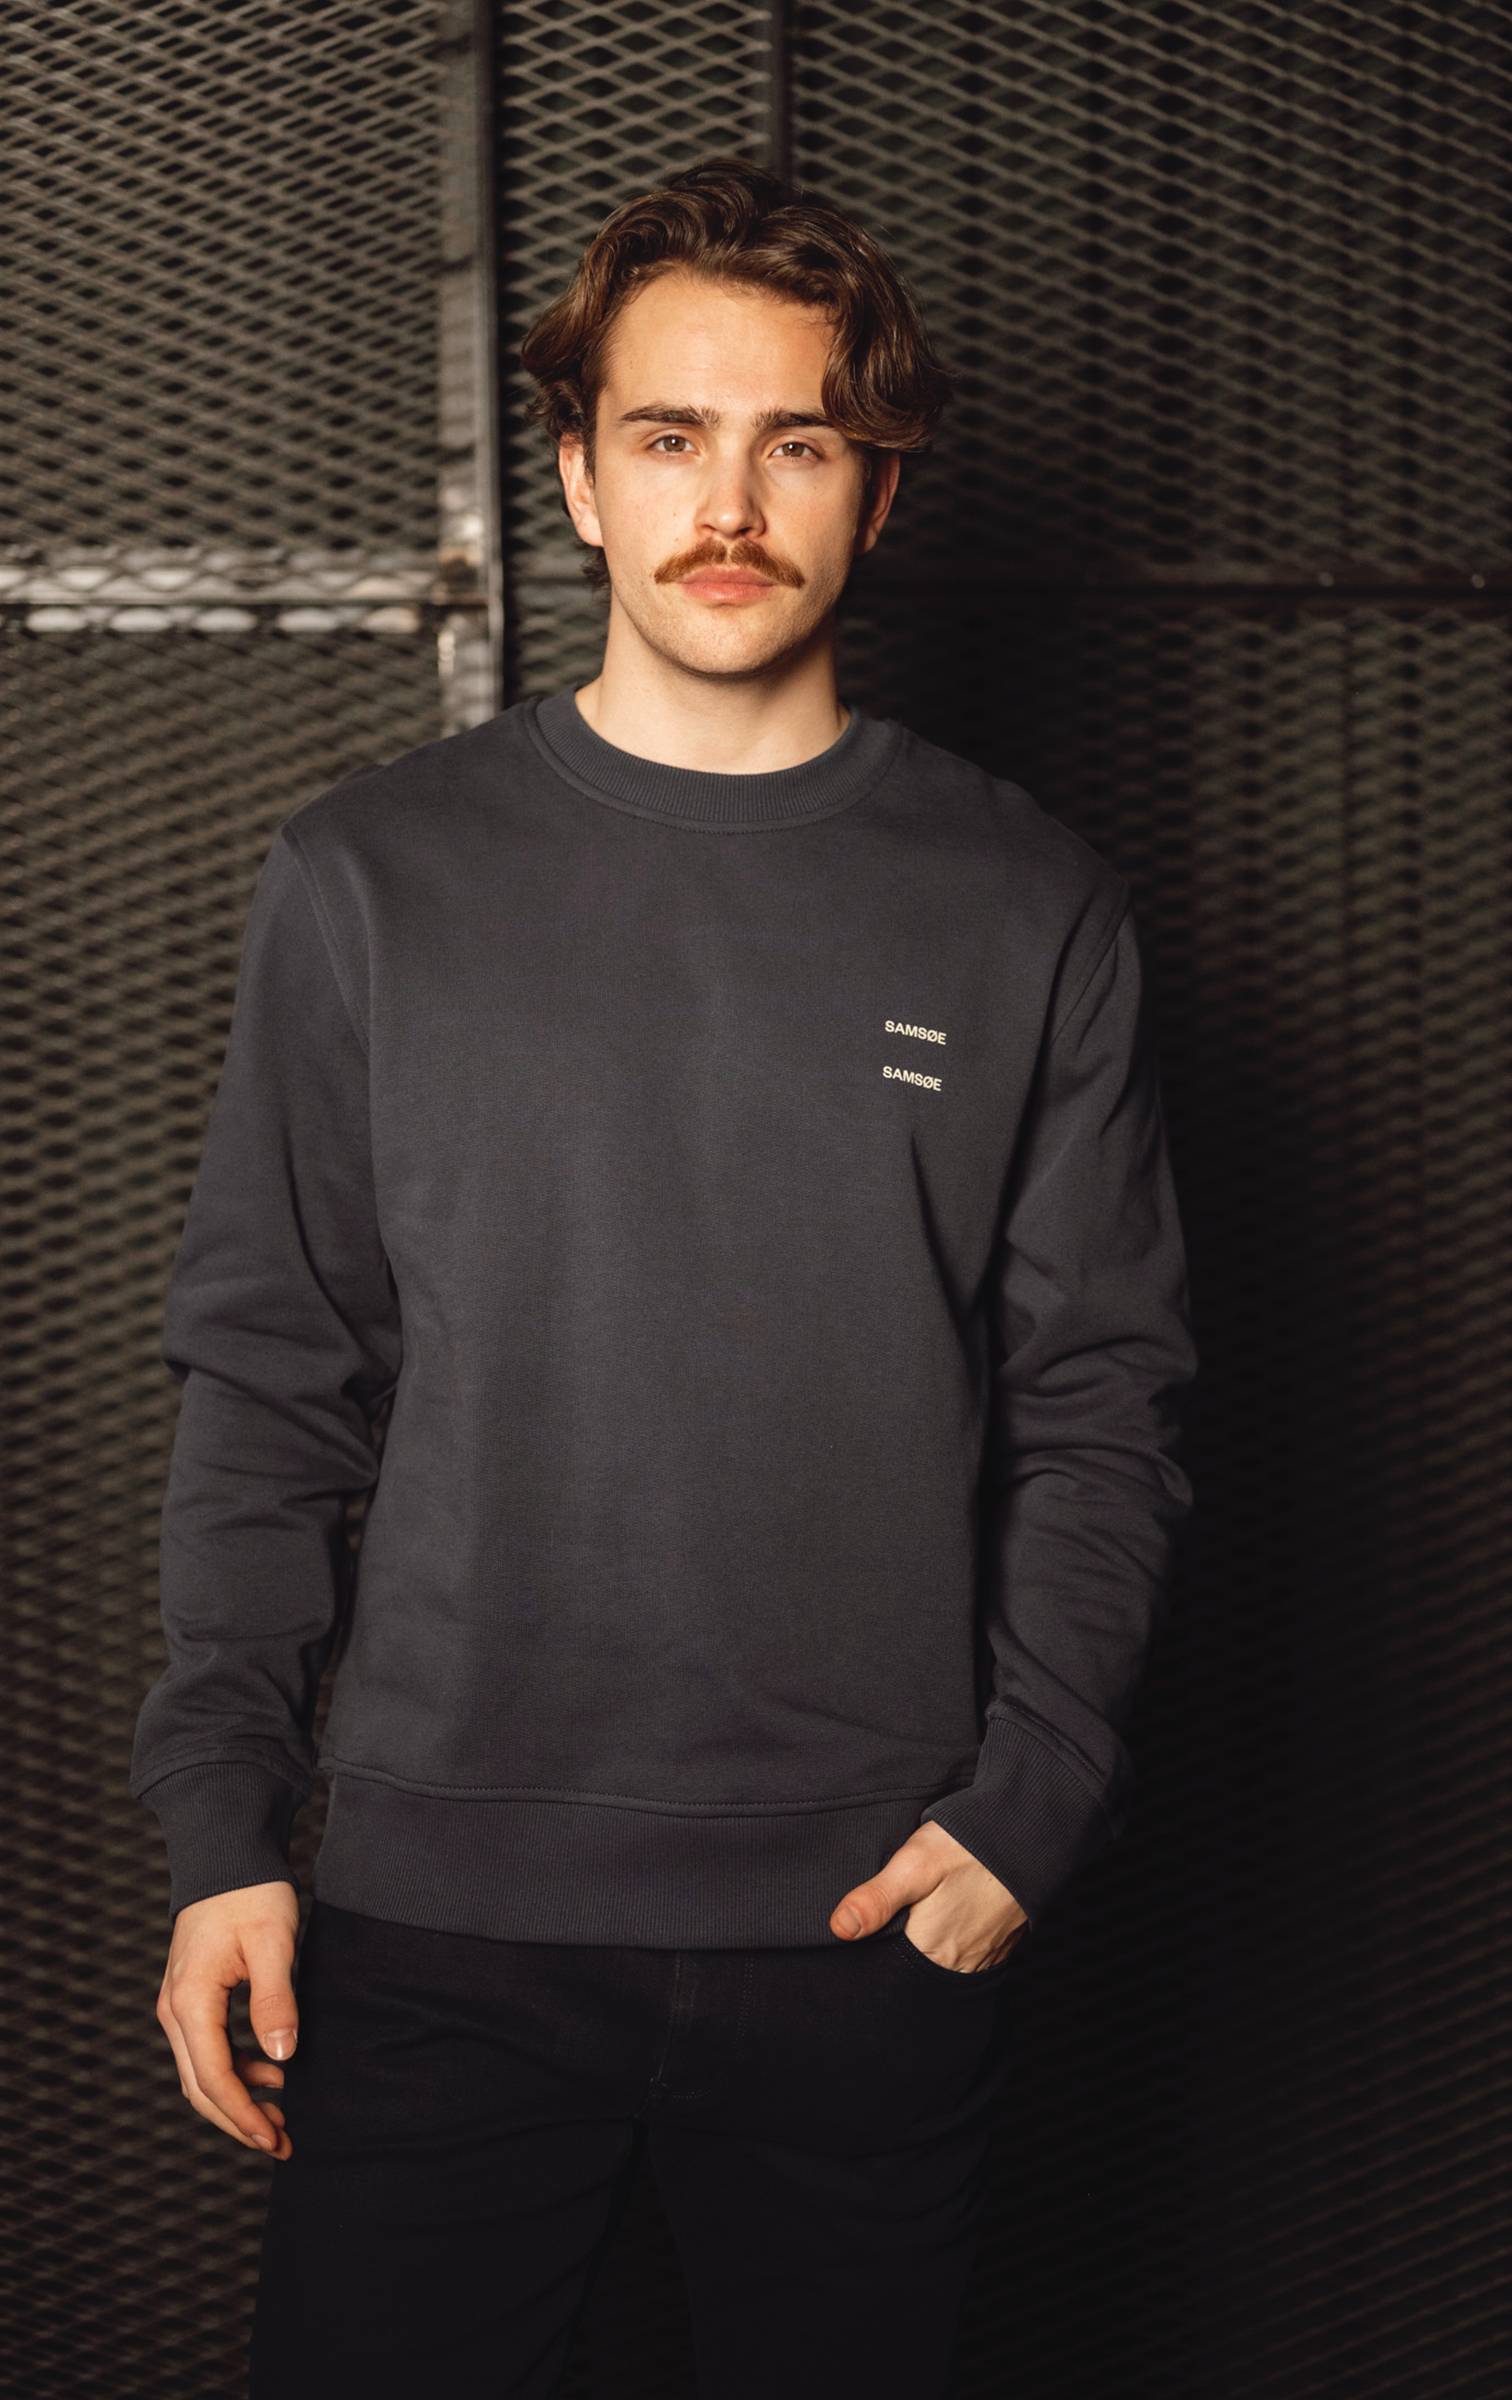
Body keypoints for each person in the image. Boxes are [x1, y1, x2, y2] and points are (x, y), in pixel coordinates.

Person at [131, 156, 1197, 2399]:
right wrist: (225, 1835)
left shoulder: (1027, 907)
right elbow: (270, 1383)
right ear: (576, 478)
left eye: (796, 441)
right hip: (435, 1929)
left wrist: (1031, 1802)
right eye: (668, 435)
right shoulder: (369, 879)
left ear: (876, 492)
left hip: (872, 1927)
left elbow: (1103, 1402)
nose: (728, 504)